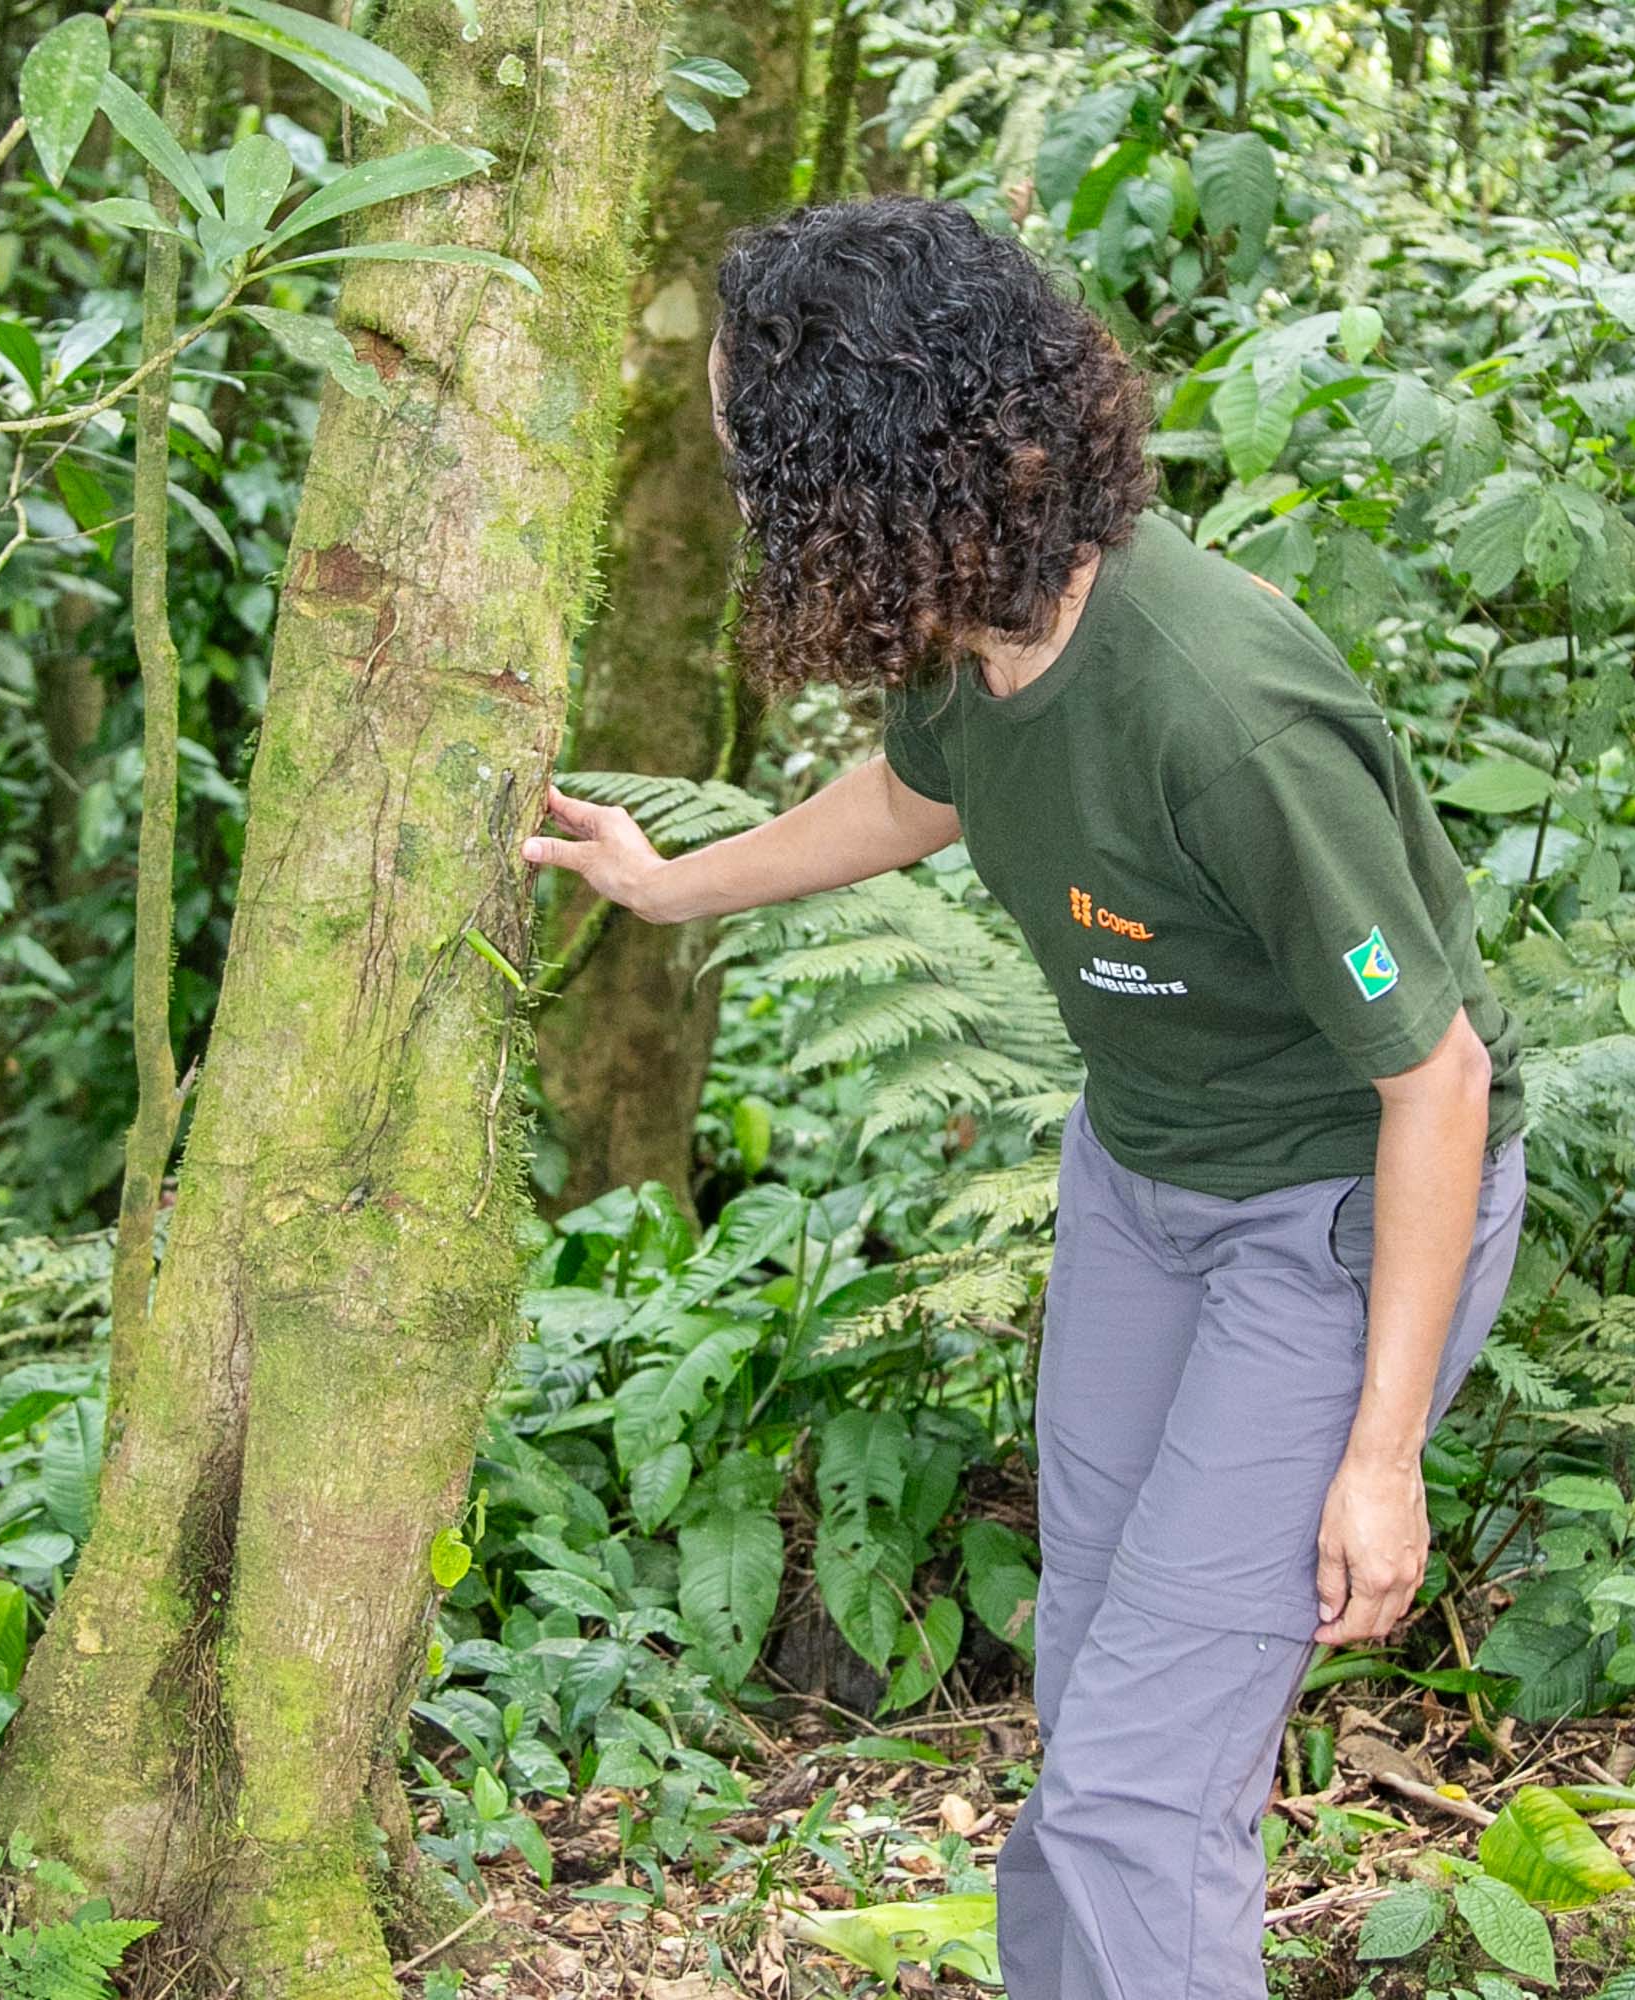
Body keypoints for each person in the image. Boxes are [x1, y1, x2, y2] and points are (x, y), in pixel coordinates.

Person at [524, 195, 1528, 2000]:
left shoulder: (1224, 714)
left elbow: (1438, 1075)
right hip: (1142, 1185)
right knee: (1099, 1696)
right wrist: (676, 882)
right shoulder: (984, 635)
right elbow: (916, 799)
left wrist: (1382, 1464)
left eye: (762, 445)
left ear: (876, 458)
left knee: (1144, 1777)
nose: (745, 486)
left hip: (1334, 1231)